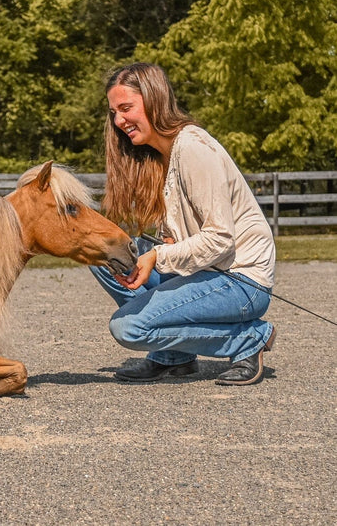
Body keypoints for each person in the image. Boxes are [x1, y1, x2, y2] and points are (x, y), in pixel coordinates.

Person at [90, 63, 276, 385]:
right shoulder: (157, 157)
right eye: (114, 112)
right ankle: (173, 356)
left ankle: (249, 338)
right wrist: (163, 244)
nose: (119, 121)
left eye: (126, 108)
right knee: (103, 255)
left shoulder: (192, 148)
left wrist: (157, 257)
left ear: (154, 100)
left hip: (240, 280)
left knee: (128, 328)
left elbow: (220, 239)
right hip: (202, 270)